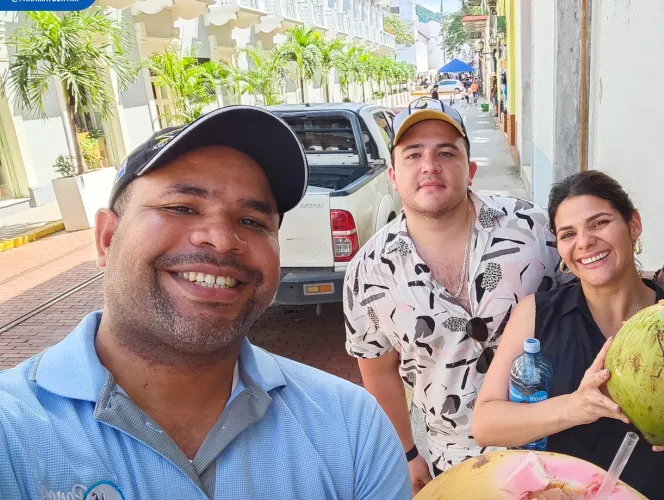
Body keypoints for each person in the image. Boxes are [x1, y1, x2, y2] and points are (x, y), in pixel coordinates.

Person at [0, 106, 411, 500]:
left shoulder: (351, 428)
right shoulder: (13, 431)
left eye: (251, 221)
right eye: (181, 207)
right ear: (107, 238)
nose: (220, 238)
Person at [342, 98, 664, 495]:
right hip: (458, 458)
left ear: (470, 169)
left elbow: (592, 263)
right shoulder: (366, 274)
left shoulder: (528, 227)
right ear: (392, 175)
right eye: (413, 155)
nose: (430, 165)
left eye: (446, 152)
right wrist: (407, 453)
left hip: (544, 460)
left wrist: (663, 289)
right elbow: (377, 373)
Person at [472, 171, 664, 500]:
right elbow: (485, 423)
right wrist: (575, 407)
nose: (584, 242)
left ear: (634, 225)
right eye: (568, 233)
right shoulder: (538, 313)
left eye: (599, 223)